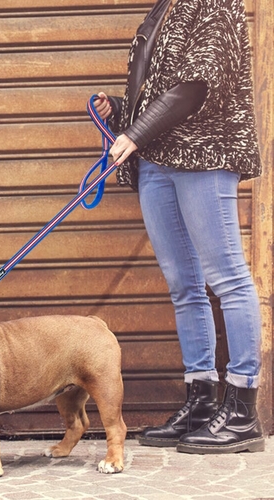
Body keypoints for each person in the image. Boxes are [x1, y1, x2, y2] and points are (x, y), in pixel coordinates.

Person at [94, 0, 264, 454]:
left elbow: (197, 85)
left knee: (228, 277)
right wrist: (121, 112)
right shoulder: (163, 8)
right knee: (184, 286)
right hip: (155, 158)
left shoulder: (215, 4)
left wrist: (134, 133)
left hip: (203, 153)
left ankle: (243, 409)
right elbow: (157, 86)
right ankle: (201, 400)